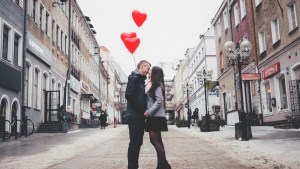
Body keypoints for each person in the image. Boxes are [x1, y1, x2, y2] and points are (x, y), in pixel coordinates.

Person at [125, 60, 151, 169]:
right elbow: (129, 95)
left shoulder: (140, 79)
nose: (148, 71)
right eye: (148, 68)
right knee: (135, 143)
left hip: (138, 116)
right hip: (135, 116)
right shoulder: (134, 78)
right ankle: (132, 166)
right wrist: (142, 110)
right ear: (142, 66)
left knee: (138, 142)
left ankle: (134, 166)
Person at [144, 66, 171, 169]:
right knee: (158, 141)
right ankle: (161, 165)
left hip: (156, 116)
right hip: (154, 116)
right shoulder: (151, 84)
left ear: (155, 73)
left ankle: (164, 165)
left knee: (154, 141)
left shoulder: (157, 85)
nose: (149, 72)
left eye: (151, 71)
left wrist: (149, 112)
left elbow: (159, 101)